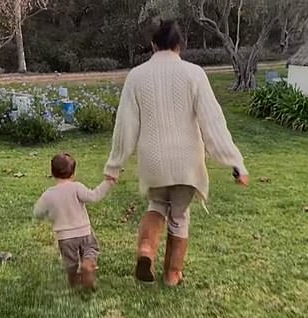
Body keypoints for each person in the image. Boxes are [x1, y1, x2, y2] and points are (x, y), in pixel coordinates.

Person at [104, 21, 249, 287]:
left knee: (157, 205)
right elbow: (213, 123)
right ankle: (172, 275)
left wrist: (114, 166)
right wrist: (235, 162)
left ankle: (146, 251)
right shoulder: (194, 74)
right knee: (179, 216)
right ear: (180, 45)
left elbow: (125, 126)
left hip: (153, 161)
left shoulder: (136, 76)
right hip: (187, 163)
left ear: (153, 45)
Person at [34, 153, 116, 290]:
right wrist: (108, 183)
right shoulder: (76, 187)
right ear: (73, 174)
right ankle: (87, 264)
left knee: (70, 263)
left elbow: (37, 212)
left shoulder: (49, 194)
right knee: (90, 249)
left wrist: (48, 215)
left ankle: (73, 281)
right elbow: (94, 196)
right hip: (84, 231)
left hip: (65, 237)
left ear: (52, 173)